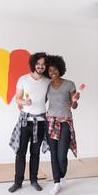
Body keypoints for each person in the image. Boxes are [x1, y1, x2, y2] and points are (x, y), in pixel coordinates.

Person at [9, 52, 50, 193]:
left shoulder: (47, 81)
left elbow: (48, 99)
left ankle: (34, 180)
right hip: (25, 121)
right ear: (33, 64)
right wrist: (23, 102)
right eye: (38, 64)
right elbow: (18, 98)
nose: (40, 66)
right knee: (21, 153)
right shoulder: (23, 79)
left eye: (43, 64)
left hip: (40, 122)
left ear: (46, 66)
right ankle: (18, 182)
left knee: (35, 153)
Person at [45, 55, 80, 195]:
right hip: (50, 121)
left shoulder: (69, 84)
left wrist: (74, 102)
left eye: (55, 69)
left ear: (60, 69)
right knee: (53, 153)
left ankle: (62, 175)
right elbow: (42, 101)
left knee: (61, 155)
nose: (52, 72)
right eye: (49, 70)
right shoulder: (46, 85)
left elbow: (75, 104)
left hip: (65, 121)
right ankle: (57, 182)